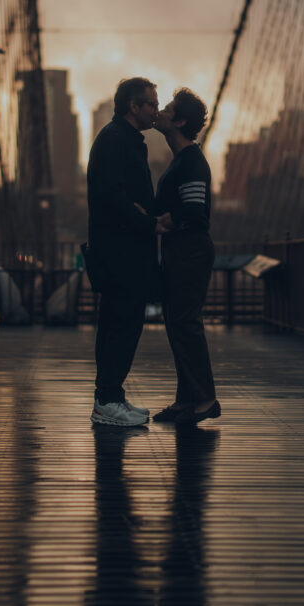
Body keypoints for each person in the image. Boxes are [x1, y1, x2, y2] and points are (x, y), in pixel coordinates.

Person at [87, 77, 169, 426]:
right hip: (122, 253)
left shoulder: (121, 138)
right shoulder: (117, 140)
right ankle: (107, 401)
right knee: (122, 325)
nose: (156, 109)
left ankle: (112, 396)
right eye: (150, 103)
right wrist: (149, 223)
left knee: (117, 324)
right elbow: (114, 198)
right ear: (133, 107)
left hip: (121, 250)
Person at [152, 89, 221, 425]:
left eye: (167, 108)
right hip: (181, 249)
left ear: (179, 121)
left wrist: (166, 222)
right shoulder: (181, 160)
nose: (160, 112)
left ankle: (206, 399)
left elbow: (194, 212)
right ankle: (186, 399)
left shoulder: (192, 161)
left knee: (186, 323)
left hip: (190, 250)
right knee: (177, 323)